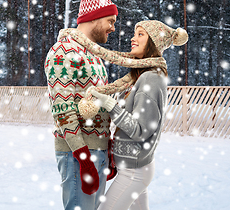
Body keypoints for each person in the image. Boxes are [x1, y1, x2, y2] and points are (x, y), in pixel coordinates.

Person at [45, 0, 168, 210]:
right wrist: (82, 157)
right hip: (78, 152)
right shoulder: (63, 52)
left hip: (98, 150)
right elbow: (63, 110)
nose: (113, 28)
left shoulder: (95, 56)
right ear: (95, 18)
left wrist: (107, 146)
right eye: (110, 21)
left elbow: (99, 104)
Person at [60, 20, 188, 210]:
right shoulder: (138, 75)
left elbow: (140, 130)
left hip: (134, 172)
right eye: (135, 33)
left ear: (154, 42)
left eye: (140, 34)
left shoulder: (151, 77)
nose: (132, 38)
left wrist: (110, 104)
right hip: (132, 168)